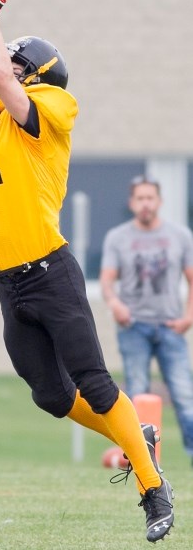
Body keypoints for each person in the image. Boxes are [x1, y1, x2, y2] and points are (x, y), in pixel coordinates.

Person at [0, 0, 174, 543]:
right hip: (7, 279)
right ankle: (137, 436)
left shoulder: (54, 105)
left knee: (94, 381)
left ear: (34, 75)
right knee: (51, 395)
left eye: (12, 64)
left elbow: (5, 82)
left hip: (49, 270)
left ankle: (151, 486)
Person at [100, 174, 193, 464]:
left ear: (159, 202)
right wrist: (115, 304)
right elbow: (106, 281)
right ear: (132, 203)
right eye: (139, 198)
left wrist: (188, 317)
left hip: (170, 326)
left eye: (150, 198)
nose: (145, 204)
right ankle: (141, 459)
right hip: (134, 327)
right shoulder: (118, 237)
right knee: (137, 395)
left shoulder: (180, 236)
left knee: (184, 394)